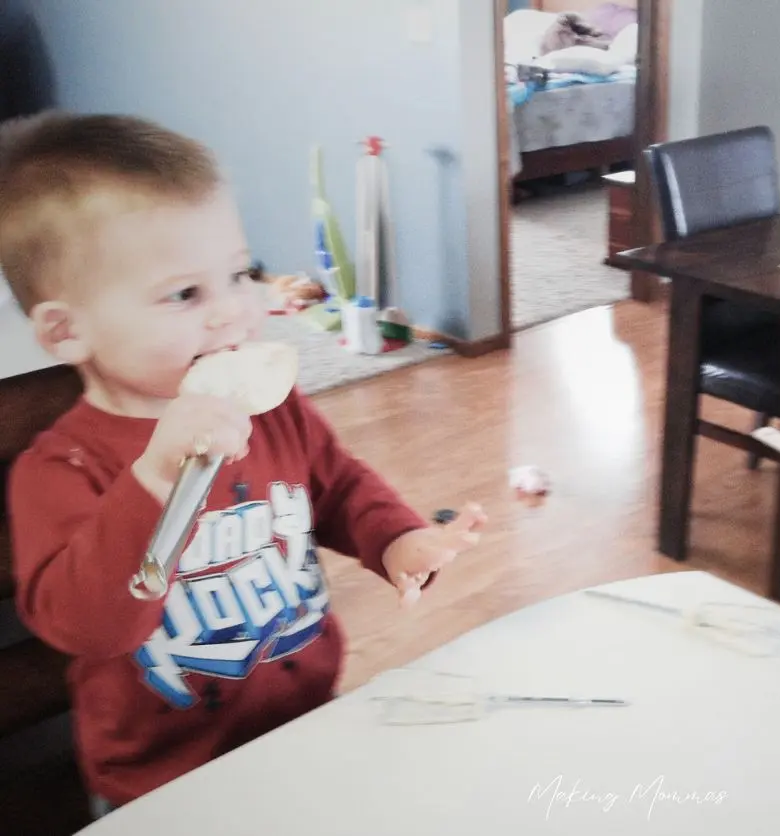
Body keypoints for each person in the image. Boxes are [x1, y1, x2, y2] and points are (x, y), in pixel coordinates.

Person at [0, 111, 488, 816]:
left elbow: (338, 484)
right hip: (162, 784)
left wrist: (397, 539)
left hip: (305, 729)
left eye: (239, 273)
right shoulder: (60, 471)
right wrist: (157, 480)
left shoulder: (271, 410)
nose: (233, 310)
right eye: (185, 294)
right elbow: (91, 627)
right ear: (66, 330)